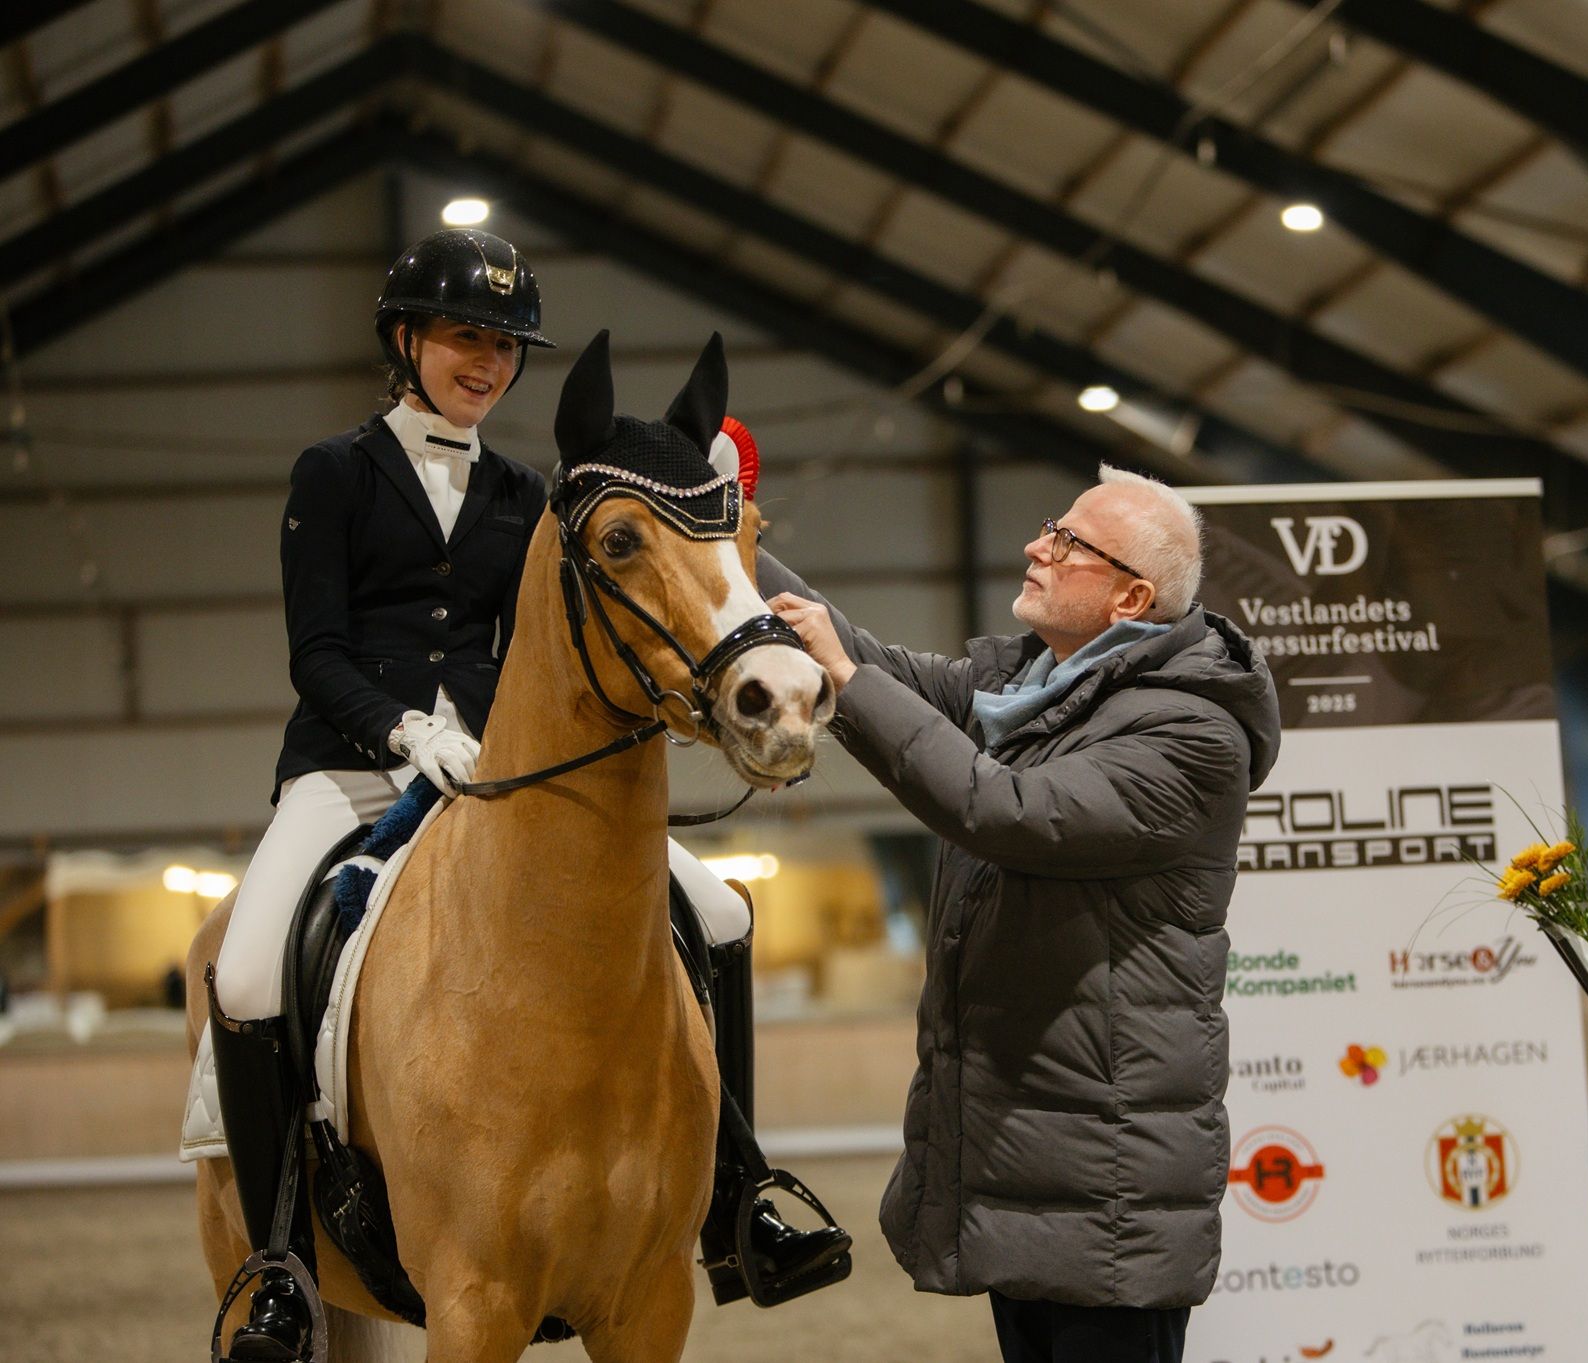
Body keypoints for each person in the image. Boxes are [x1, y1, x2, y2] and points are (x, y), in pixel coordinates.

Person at [202, 233, 842, 1361]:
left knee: (720, 914)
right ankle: (277, 1263)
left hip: (500, 765)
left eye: (504, 346)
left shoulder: (524, 493)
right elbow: (317, 650)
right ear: (407, 340)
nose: (486, 362)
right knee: (249, 968)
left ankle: (740, 1195)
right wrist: (404, 730)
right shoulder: (335, 473)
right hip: (351, 767)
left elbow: (553, 639)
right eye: (466, 336)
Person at [766, 465, 1280, 1363]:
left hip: (1107, 1182)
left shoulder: (1189, 733)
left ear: (1130, 597)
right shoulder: (1030, 689)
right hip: (1032, 1162)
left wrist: (842, 675)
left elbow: (1003, 811)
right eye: (1051, 525)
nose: (1037, 546)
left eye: (1069, 541)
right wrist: (718, 535)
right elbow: (863, 655)